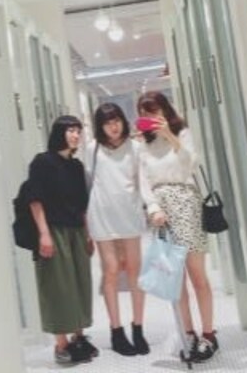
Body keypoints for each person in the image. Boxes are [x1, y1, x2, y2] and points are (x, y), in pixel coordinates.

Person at [137, 91, 219, 362]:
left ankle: (209, 335)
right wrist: (153, 208)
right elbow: (143, 182)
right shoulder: (142, 145)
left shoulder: (182, 133)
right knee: (175, 277)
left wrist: (170, 137)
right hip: (161, 212)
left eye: (154, 111)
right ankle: (188, 333)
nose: (150, 117)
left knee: (197, 274)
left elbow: (191, 164)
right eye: (145, 113)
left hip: (186, 204)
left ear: (165, 110)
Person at [26, 115, 99, 366]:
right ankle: (61, 344)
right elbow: (35, 200)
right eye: (70, 130)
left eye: (78, 131)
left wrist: (87, 234)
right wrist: (44, 234)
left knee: (80, 283)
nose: (76, 135)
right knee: (58, 286)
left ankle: (79, 337)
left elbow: (82, 205)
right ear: (59, 133)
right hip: (54, 230)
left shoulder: (76, 166)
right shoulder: (42, 162)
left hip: (76, 230)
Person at [86, 103, 149, 356]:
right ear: (100, 126)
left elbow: (142, 181)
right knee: (110, 271)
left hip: (129, 215)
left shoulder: (136, 147)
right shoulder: (92, 148)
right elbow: (89, 180)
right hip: (102, 215)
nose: (113, 126)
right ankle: (116, 331)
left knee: (135, 271)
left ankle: (138, 327)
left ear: (123, 121)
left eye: (116, 121)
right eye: (107, 123)